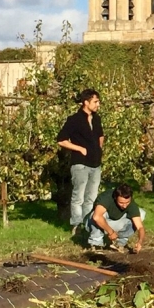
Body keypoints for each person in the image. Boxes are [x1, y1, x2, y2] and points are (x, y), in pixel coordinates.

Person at [57, 89, 104, 234]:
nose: (98, 105)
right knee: (79, 197)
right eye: (95, 102)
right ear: (86, 102)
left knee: (91, 197)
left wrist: (99, 149)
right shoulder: (74, 120)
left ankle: (88, 225)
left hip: (95, 164)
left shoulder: (96, 119)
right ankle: (76, 225)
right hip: (80, 164)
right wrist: (79, 148)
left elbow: (101, 135)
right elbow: (61, 140)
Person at [86, 184, 145, 252]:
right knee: (99, 214)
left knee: (141, 213)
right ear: (115, 198)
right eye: (121, 203)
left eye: (127, 202)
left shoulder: (131, 204)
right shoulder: (107, 197)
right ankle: (96, 243)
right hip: (93, 223)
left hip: (114, 223)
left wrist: (140, 241)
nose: (125, 206)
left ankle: (119, 243)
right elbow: (96, 217)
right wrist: (111, 232)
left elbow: (140, 227)